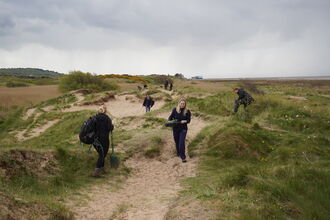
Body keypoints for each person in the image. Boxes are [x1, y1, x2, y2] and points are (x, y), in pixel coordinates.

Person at [92, 105, 114, 177]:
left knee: (101, 154)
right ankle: (96, 172)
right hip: (104, 139)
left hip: (95, 139)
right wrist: (112, 126)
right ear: (105, 111)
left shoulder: (95, 117)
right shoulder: (107, 118)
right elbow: (109, 128)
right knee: (102, 155)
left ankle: (102, 169)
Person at [168, 98, 191, 163]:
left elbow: (189, 120)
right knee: (177, 141)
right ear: (179, 103)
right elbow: (170, 118)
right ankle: (178, 153)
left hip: (183, 129)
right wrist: (174, 121)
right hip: (175, 128)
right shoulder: (175, 110)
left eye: (184, 104)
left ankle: (183, 157)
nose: (182, 105)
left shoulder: (187, 111)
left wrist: (185, 121)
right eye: (181, 103)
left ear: (185, 104)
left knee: (181, 142)